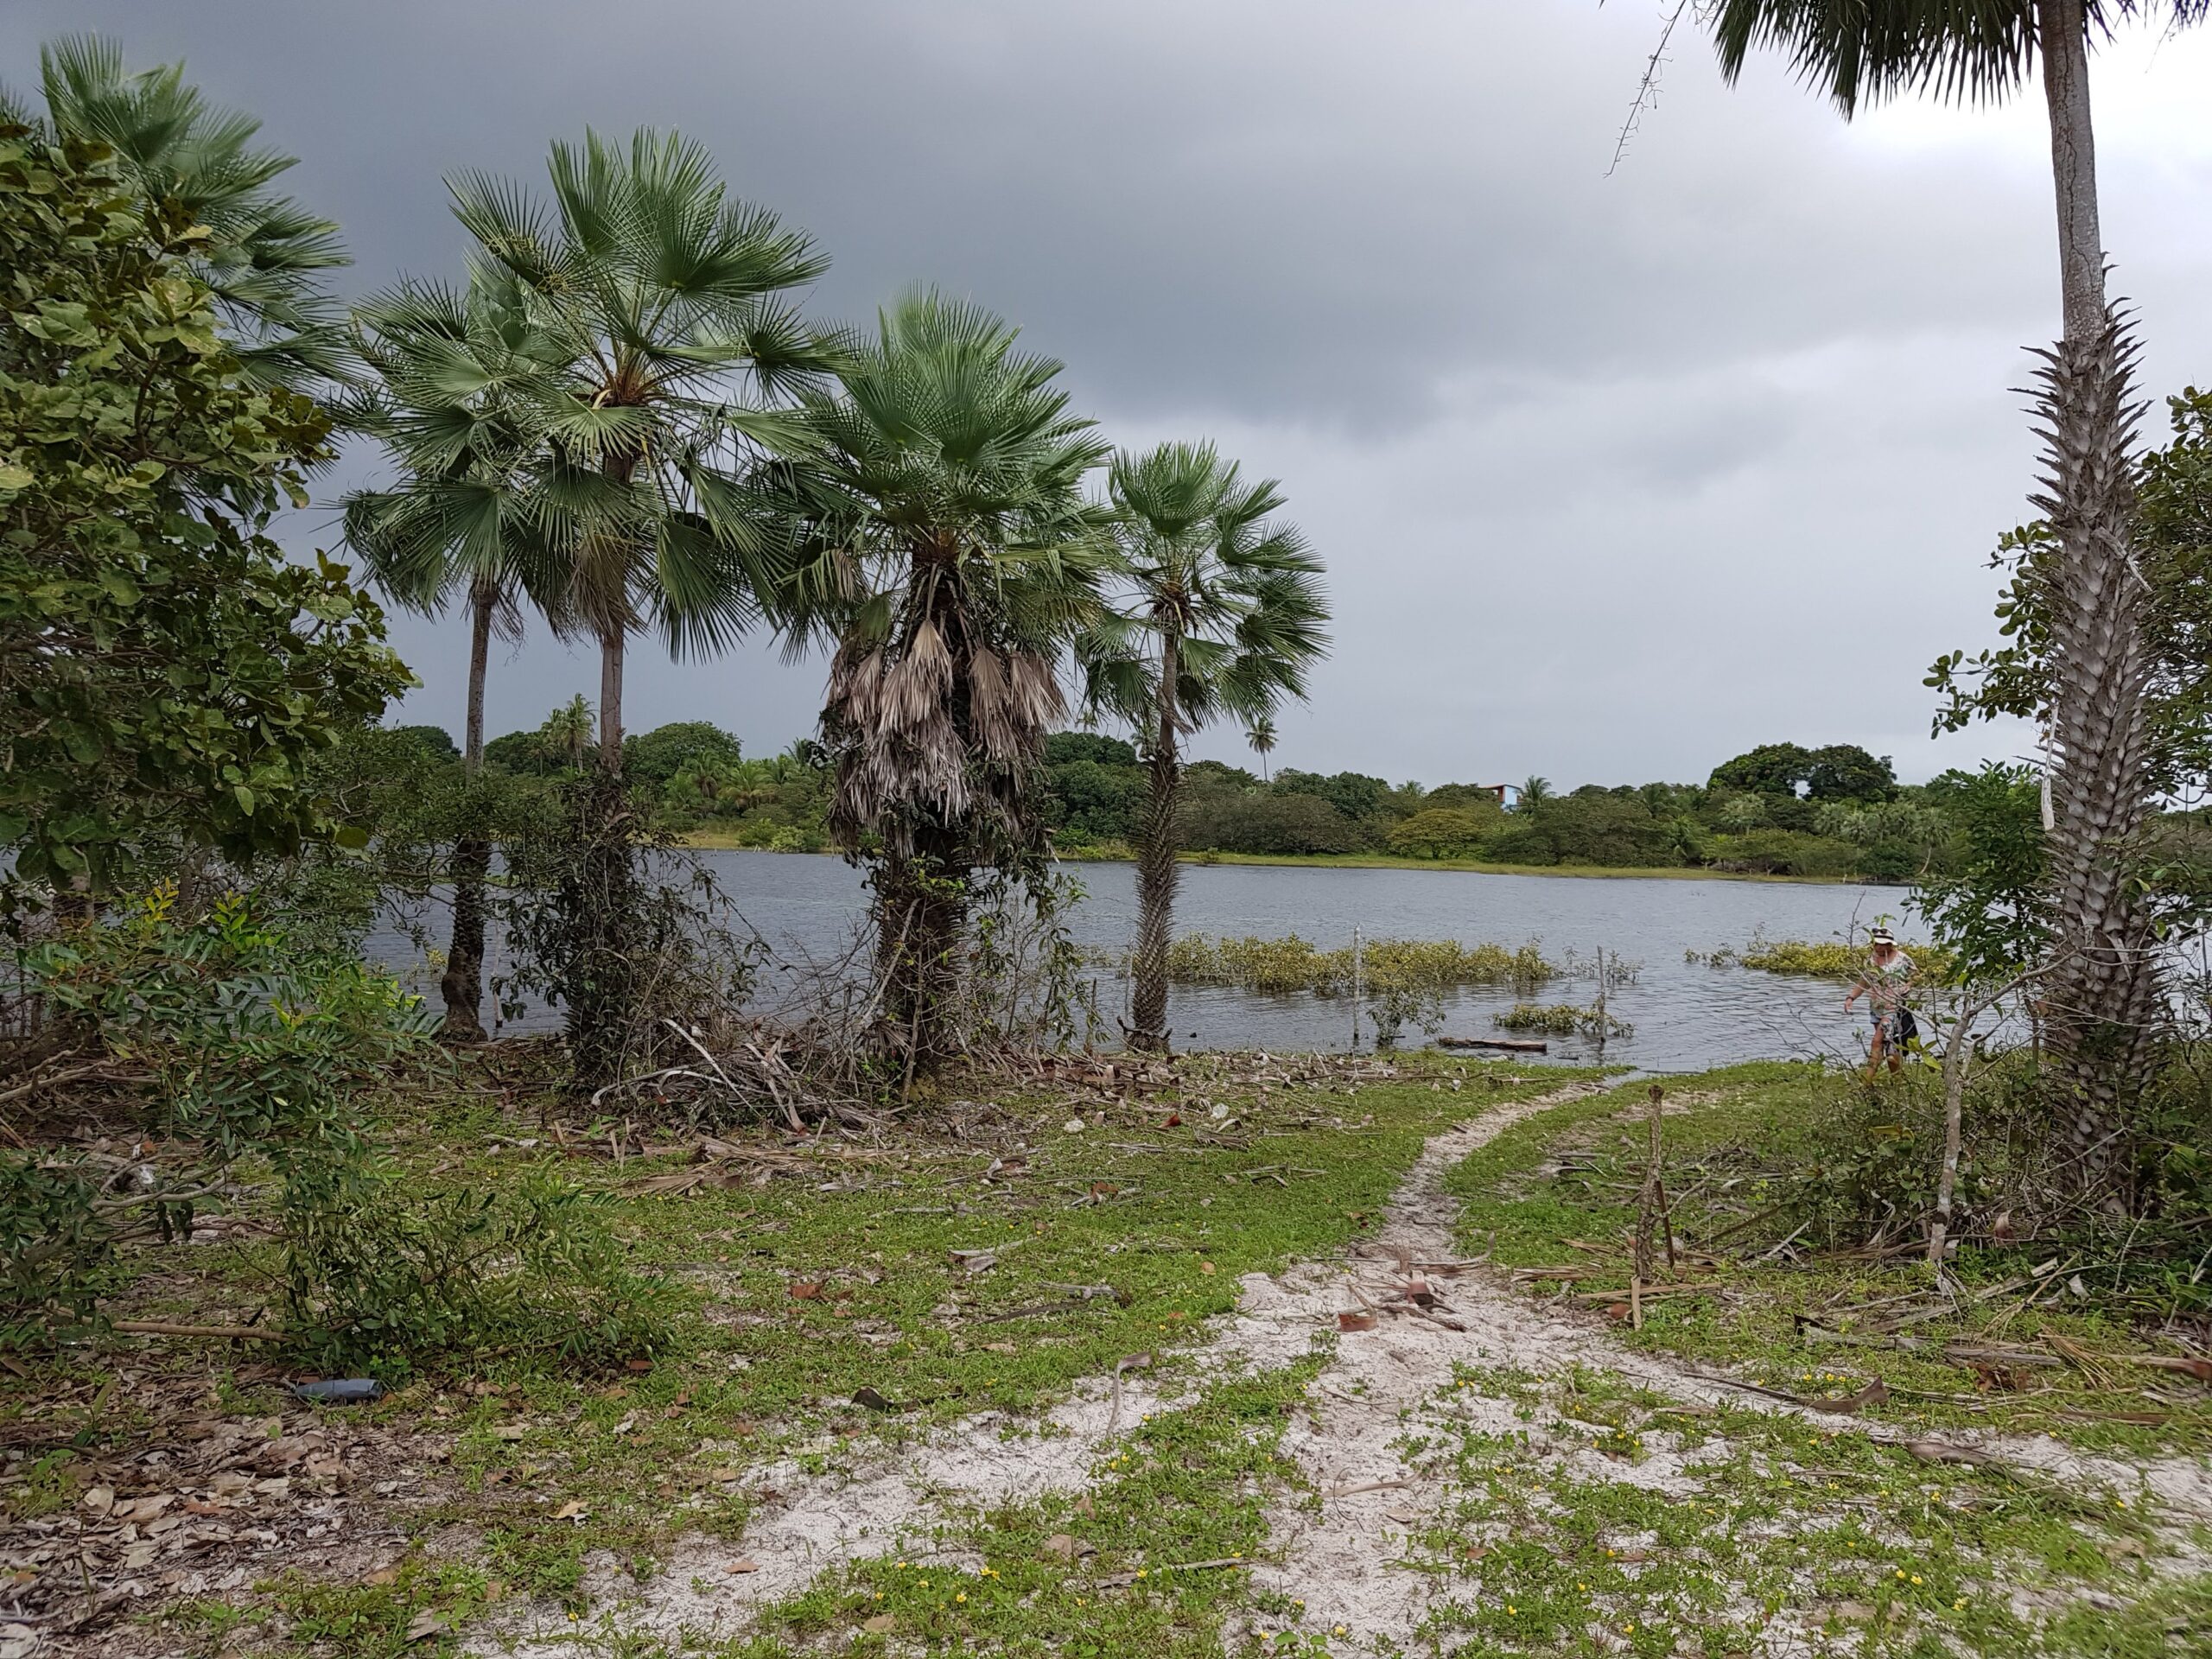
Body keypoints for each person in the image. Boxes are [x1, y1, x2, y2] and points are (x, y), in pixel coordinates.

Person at [1843, 926, 1916, 1076]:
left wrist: (1908, 986)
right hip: (1876, 1007)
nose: (1879, 947)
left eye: (1883, 944)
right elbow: (1864, 982)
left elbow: (1916, 975)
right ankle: (1897, 1079)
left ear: (1890, 944)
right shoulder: (1871, 960)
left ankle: (1867, 1081)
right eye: (1877, 943)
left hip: (1894, 1006)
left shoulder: (1902, 958)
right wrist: (1851, 998)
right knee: (1890, 1045)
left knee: (1876, 1041)